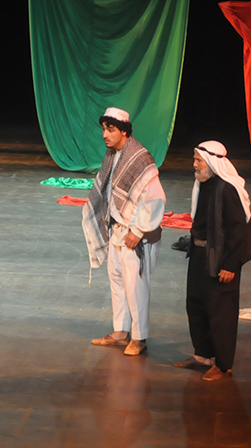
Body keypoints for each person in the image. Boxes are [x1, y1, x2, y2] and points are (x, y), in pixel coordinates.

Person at [82, 107, 166, 356]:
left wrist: (138, 231)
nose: (104, 135)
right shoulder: (112, 155)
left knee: (136, 286)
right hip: (117, 231)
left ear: (124, 131)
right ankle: (121, 331)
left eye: (110, 130)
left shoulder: (139, 158)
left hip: (135, 235)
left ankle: (139, 338)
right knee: (117, 281)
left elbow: (156, 199)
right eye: (103, 129)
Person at [174, 141, 251, 381]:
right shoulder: (203, 184)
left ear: (212, 162)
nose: (194, 164)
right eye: (195, 159)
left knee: (221, 313)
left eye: (198, 160)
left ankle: (223, 365)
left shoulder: (227, 189)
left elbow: (239, 232)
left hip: (221, 258)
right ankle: (203, 355)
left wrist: (230, 265)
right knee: (197, 306)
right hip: (199, 254)